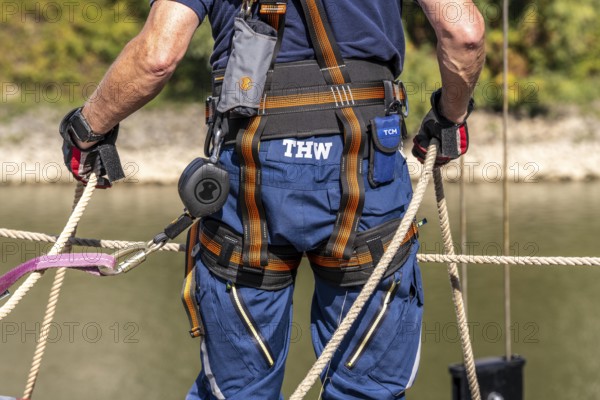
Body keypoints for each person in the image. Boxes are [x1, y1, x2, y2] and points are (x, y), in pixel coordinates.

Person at [59, 0, 485, 398]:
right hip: (366, 179)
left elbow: (157, 56)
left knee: (237, 391)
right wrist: (450, 118)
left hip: (249, 187)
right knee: (367, 390)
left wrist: (86, 130)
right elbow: (463, 33)